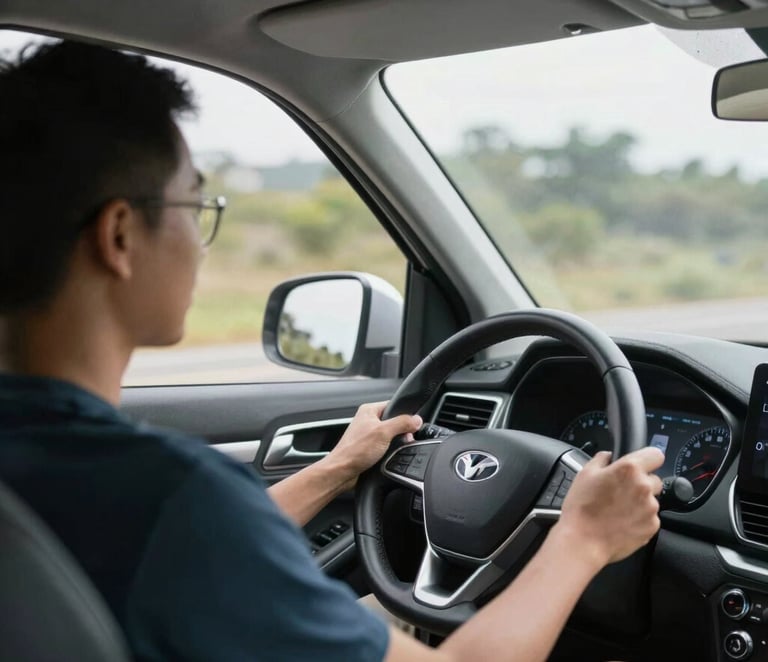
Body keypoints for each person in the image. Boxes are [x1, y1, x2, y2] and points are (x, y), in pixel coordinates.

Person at [0, 40, 664, 662]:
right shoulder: (169, 494)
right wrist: (585, 536)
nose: (202, 241)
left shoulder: (92, 481)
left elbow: (185, 543)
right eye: (194, 205)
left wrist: (338, 469)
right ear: (119, 235)